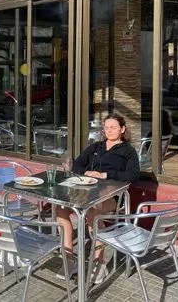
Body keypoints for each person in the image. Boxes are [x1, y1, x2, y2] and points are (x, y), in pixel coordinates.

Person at [56, 113, 139, 284]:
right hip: (87, 191)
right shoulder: (96, 147)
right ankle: (69, 259)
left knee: (92, 212)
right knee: (61, 209)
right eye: (106, 127)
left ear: (122, 129)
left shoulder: (128, 151)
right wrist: (86, 172)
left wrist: (105, 174)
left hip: (114, 195)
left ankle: (99, 262)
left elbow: (133, 175)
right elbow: (77, 164)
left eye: (113, 127)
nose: (109, 130)